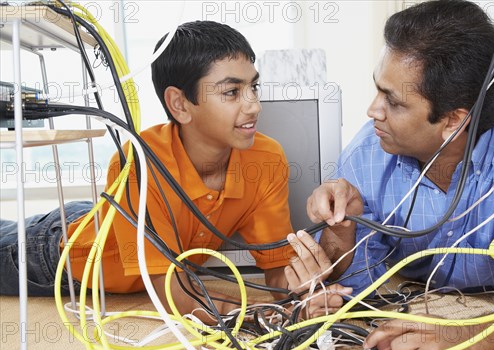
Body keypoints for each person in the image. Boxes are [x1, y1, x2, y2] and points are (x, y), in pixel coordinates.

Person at [284, 0, 494, 350]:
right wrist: (340, 236)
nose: (372, 111)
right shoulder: (371, 149)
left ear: (452, 120)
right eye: (377, 90)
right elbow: (355, 279)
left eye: (393, 102)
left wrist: (469, 337)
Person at [0, 20, 295, 320]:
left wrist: (306, 293)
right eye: (232, 92)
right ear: (179, 104)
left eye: (253, 86)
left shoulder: (266, 160)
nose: (254, 105)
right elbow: (176, 295)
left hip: (105, 218)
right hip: (58, 252)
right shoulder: (138, 164)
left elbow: (278, 268)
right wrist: (255, 315)